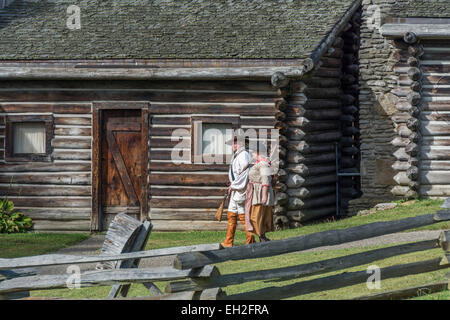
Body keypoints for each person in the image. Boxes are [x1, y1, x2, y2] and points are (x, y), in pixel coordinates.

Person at [221, 134, 255, 247]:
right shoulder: (237, 155)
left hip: (241, 189)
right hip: (236, 188)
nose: (233, 145)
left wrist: (234, 185)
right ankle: (228, 241)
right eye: (233, 143)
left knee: (242, 215)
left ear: (241, 143)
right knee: (231, 213)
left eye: (235, 143)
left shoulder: (244, 155)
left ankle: (251, 240)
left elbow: (246, 173)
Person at [244, 144, 275, 242]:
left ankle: (262, 237)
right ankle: (262, 237)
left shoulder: (263, 163)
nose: (251, 154)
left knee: (257, 216)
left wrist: (264, 196)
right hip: (255, 191)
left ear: (257, 152)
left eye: (253, 152)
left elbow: (265, 180)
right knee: (256, 215)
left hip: (260, 192)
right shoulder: (258, 163)